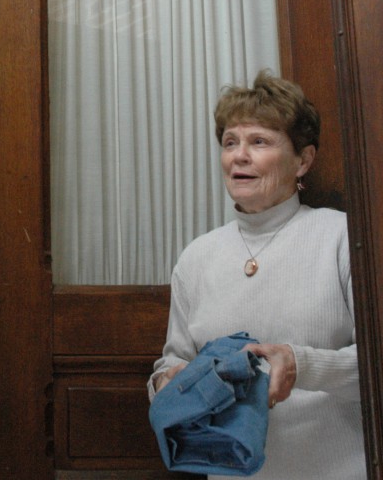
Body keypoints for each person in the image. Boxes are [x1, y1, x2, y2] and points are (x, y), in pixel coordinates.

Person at [149, 71, 365, 479]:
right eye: (230, 142)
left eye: (259, 142)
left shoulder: (341, 237)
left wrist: (301, 363)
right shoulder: (198, 257)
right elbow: (173, 359)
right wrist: (168, 382)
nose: (239, 156)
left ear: (303, 160)